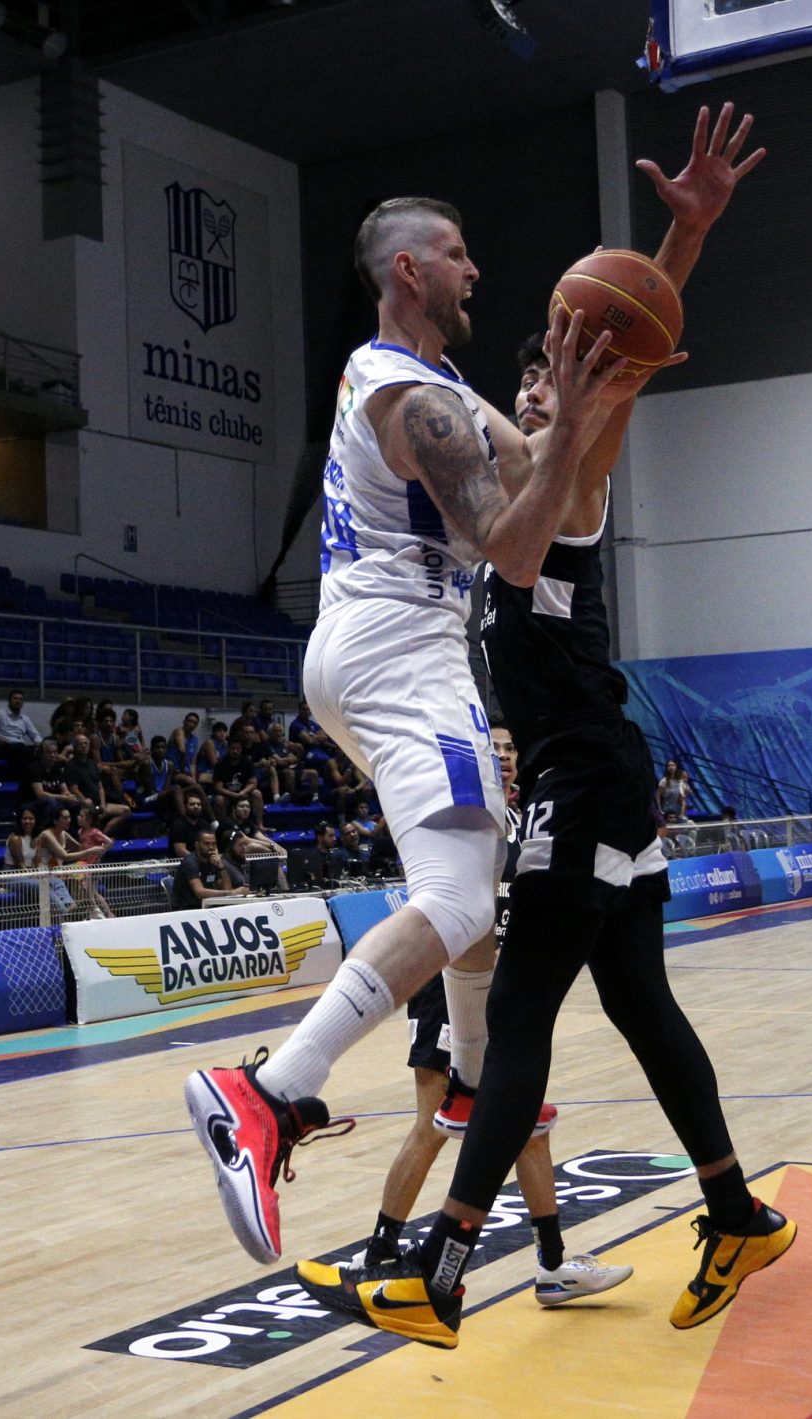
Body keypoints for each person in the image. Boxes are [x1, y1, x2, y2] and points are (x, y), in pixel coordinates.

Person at [294, 104, 795, 1350]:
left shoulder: (573, 476)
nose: (529, 397)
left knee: (514, 1023)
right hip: (599, 771)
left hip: (584, 774)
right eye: (519, 388)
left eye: (544, 384)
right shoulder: (512, 476)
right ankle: (736, 1212)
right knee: (638, 1005)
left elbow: (627, 338)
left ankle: (442, 1270)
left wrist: (683, 245)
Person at [185, 173, 629, 1266]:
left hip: (369, 647)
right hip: (402, 647)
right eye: (458, 252)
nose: (476, 268)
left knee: (474, 882)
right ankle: (271, 1090)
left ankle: (471, 1077)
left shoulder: (432, 384)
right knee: (461, 893)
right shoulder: (411, 399)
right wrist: (576, 421)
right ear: (407, 269)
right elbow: (513, 551)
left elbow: (547, 472)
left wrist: (601, 396)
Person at [355, 718, 630, 1304]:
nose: (503, 756)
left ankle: (552, 1265)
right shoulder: (461, 818)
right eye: (493, 747)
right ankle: (380, 1251)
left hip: (502, 991)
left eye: (510, 749)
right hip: (446, 984)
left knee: (526, 1126)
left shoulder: (524, 821)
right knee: (434, 1123)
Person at [173, 828, 247, 909]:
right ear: (197, 845)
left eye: (214, 844)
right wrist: (233, 893)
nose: (211, 847)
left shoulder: (213, 861)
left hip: (205, 906)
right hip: (186, 909)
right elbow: (199, 893)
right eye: (206, 844)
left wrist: (221, 866)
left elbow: (227, 889)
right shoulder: (190, 863)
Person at [0, 690, 43, 777]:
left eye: (20, 699)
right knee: (20, 749)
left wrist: (40, 744)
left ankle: (36, 778)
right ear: (9, 700)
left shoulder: (25, 718)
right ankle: (19, 777)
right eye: (15, 698)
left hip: (19, 747)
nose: (18, 701)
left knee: (36, 750)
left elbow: (35, 735)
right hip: (3, 746)